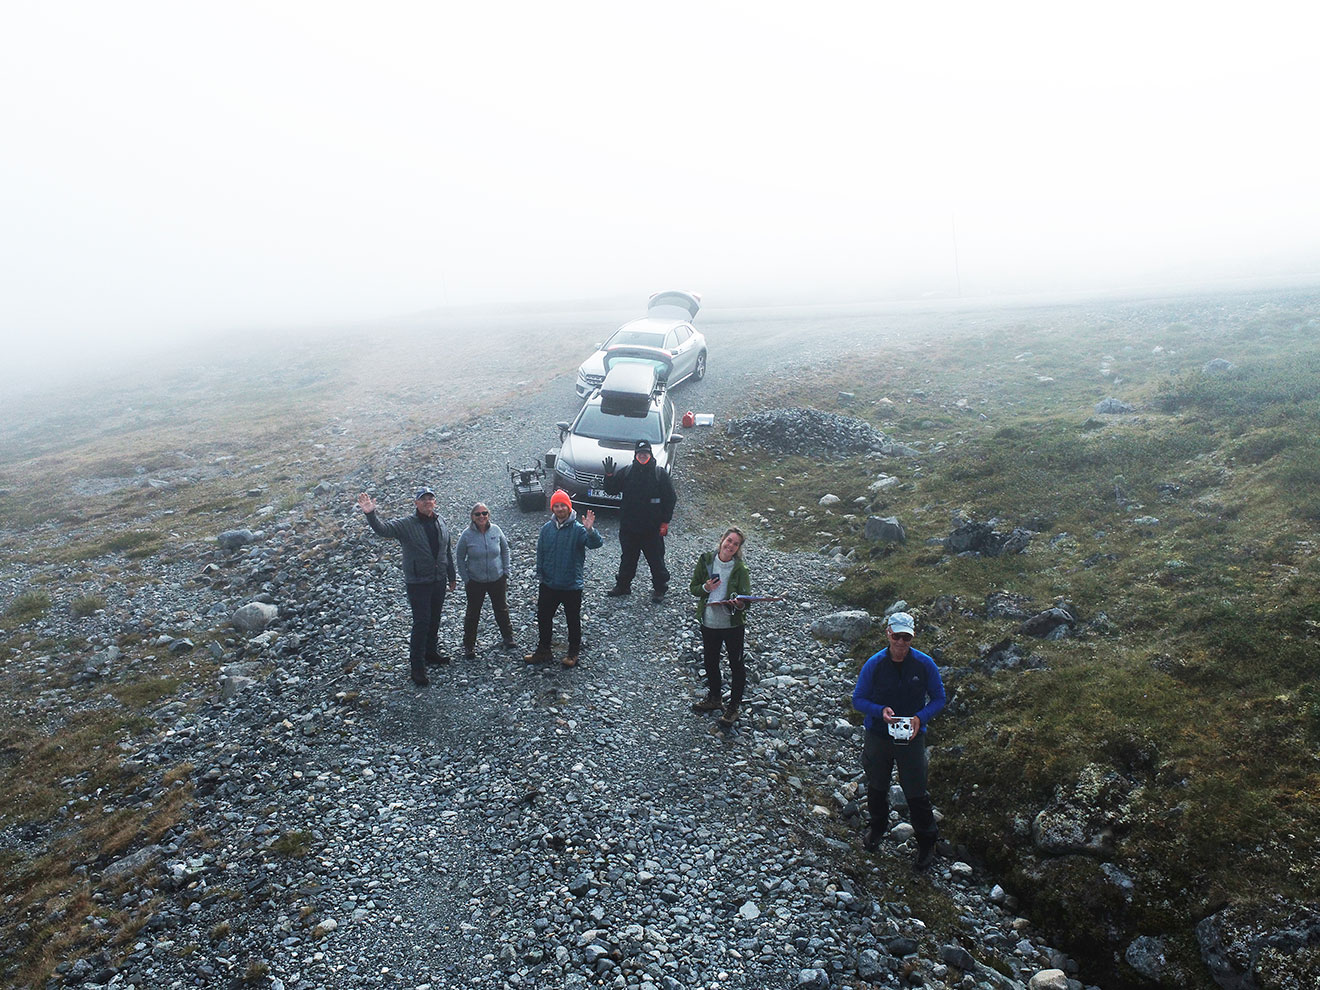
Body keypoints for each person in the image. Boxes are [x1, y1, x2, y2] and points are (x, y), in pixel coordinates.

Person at [851, 611, 947, 871]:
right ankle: (877, 828)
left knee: (916, 790)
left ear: (912, 638)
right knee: (877, 785)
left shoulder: (924, 664)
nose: (901, 643)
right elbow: (857, 699)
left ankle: (927, 842)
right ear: (888, 634)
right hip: (879, 734)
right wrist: (879, 711)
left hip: (912, 736)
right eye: (897, 636)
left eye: (906, 638)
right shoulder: (875, 663)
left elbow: (939, 697)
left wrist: (920, 718)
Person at [357, 487, 457, 687]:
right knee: (421, 623)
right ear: (416, 503)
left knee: (435, 619)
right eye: (423, 499)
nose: (428, 501)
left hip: (438, 580)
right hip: (418, 582)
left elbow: (446, 549)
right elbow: (383, 529)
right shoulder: (406, 524)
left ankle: (431, 653)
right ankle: (417, 667)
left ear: (434, 502)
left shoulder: (440, 520)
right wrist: (370, 513)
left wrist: (451, 575)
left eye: (431, 498)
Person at [525, 489, 603, 668]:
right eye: (556, 505)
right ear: (552, 508)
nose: (559, 509)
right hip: (549, 584)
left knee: (572, 620)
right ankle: (543, 650)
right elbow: (541, 552)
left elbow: (596, 544)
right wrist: (541, 574)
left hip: (571, 585)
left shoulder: (578, 529)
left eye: (563, 505)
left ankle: (573, 653)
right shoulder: (547, 529)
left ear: (569, 507)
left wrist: (591, 530)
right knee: (544, 617)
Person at [689, 527, 751, 730]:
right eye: (729, 540)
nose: (731, 545)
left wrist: (738, 604)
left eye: (736, 544)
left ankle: (733, 707)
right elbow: (693, 588)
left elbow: (746, 600)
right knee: (710, 660)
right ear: (722, 539)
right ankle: (715, 698)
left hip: (733, 624)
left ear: (738, 548)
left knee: (736, 664)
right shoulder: (706, 559)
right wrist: (706, 588)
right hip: (709, 621)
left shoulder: (740, 568)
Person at [602, 439, 676, 604]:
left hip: (652, 529)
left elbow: (670, 499)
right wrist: (608, 476)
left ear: (650, 455)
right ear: (635, 455)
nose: (643, 456)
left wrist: (665, 522)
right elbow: (611, 490)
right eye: (640, 453)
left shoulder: (659, 474)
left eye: (646, 453)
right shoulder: (627, 472)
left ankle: (659, 589)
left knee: (656, 560)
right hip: (629, 528)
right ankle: (623, 586)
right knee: (627, 559)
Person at [455, 502, 517, 659]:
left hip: (497, 579)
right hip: (475, 581)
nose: (481, 516)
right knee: (473, 614)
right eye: (478, 514)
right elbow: (459, 557)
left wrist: (506, 572)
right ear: (472, 517)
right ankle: (469, 646)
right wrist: (466, 579)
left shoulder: (496, 530)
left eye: (484, 513)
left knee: (501, 609)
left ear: (488, 515)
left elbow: (505, 550)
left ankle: (508, 638)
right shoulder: (466, 535)